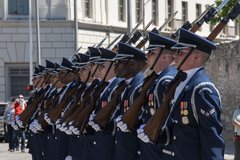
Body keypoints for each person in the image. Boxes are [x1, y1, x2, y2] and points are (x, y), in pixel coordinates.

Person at [138, 28, 225, 160]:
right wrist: (158, 136)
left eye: (180, 52)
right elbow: (179, 128)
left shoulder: (202, 89)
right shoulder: (181, 82)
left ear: (196, 57)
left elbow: (211, 138)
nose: (175, 55)